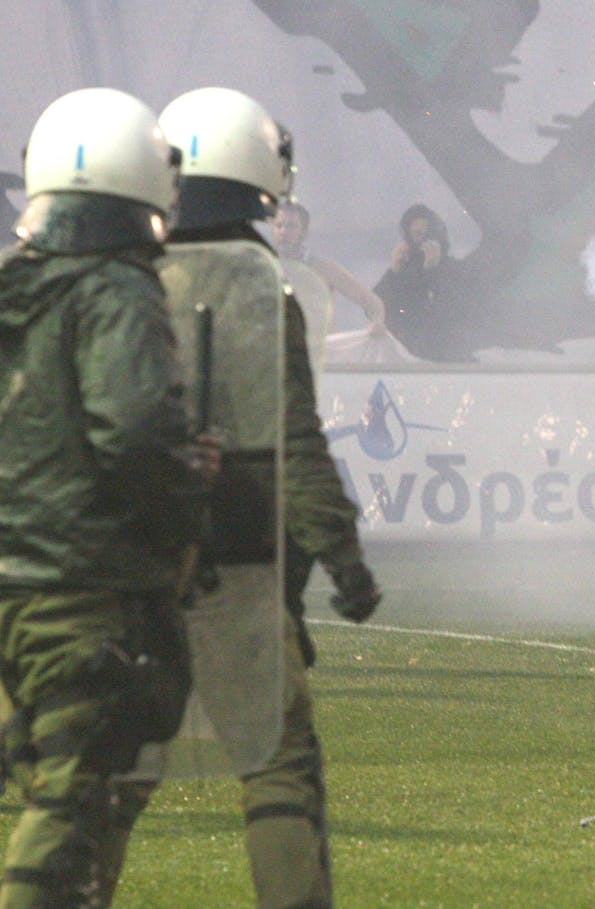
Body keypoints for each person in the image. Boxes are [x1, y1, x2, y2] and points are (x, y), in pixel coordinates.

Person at [150, 87, 382, 908]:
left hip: (122, 569)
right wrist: (343, 556)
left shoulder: (112, 280)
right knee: (278, 766)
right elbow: (297, 442)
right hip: (238, 570)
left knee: (88, 785)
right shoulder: (260, 292)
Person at [0, 88, 205, 908]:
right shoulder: (118, 288)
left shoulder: (15, 285)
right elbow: (133, 431)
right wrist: (189, 494)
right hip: (76, 580)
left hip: (9, 575)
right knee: (68, 804)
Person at [270, 201, 397, 373]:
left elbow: (373, 303)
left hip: (321, 365)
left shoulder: (324, 269)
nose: (284, 231)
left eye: (291, 226)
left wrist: (378, 322)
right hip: (277, 363)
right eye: (279, 225)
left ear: (303, 232)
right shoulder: (261, 270)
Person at [372, 203, 473, 362]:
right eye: (415, 234)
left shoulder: (454, 270)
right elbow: (374, 310)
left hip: (447, 364)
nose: (420, 240)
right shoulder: (401, 272)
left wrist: (432, 272)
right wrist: (393, 273)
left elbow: (451, 313)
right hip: (402, 362)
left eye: (425, 234)